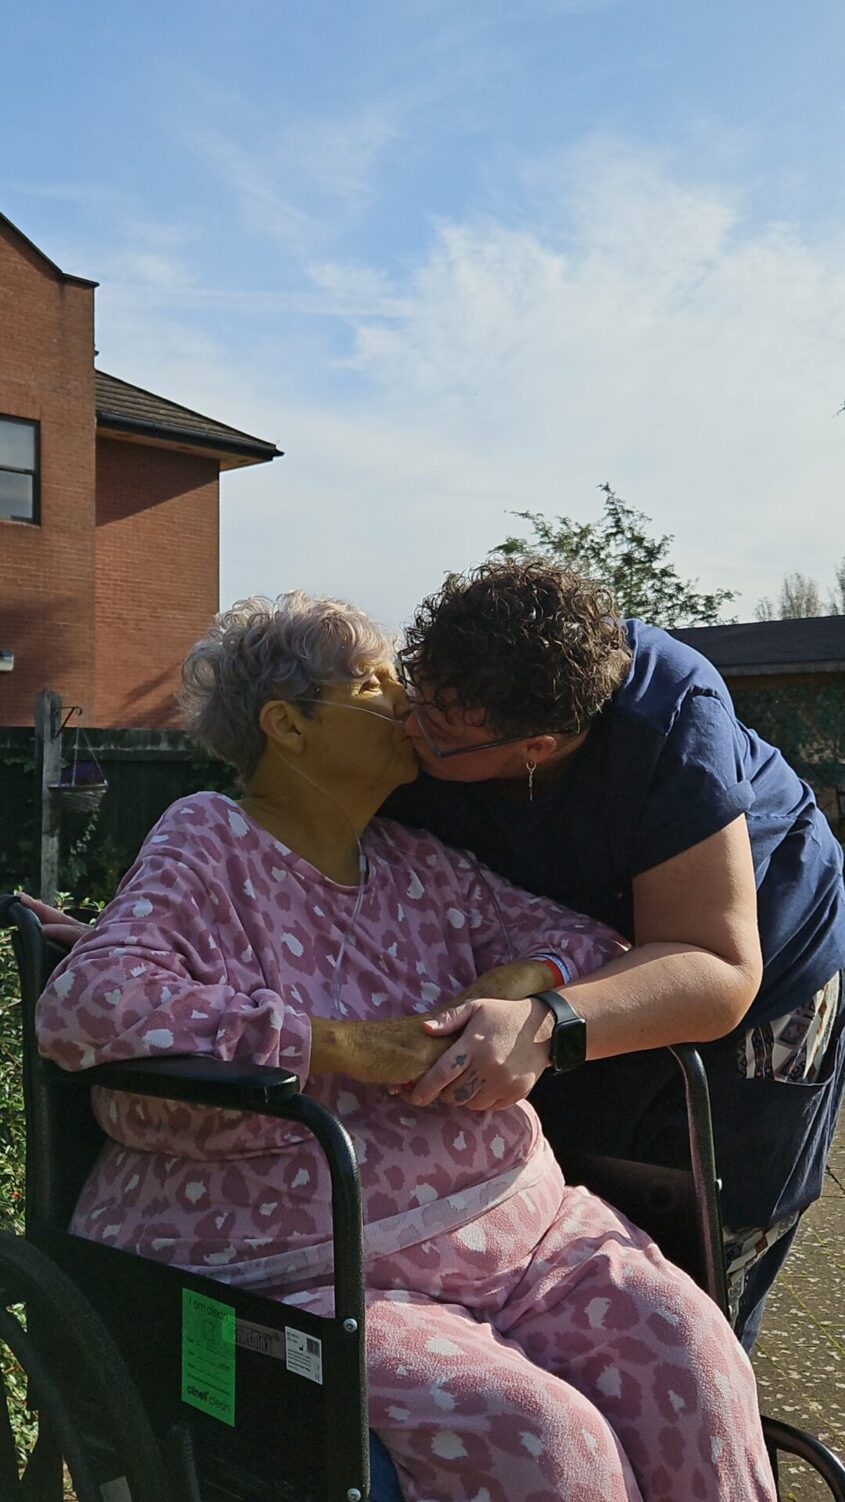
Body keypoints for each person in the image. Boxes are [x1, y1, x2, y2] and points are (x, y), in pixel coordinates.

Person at [35, 592, 775, 1502]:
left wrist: (521, 983)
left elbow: (597, 950)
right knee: (544, 1443)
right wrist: (339, 1046)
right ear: (288, 726)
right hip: (310, 1264)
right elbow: (89, 1004)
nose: (406, 701)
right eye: (374, 681)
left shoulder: (424, 863)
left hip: (530, 1233)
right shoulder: (210, 840)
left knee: (694, 1363)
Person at [383, 559, 845, 1349]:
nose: (406, 729)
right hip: (586, 957)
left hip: (762, 969)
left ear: (536, 745)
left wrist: (545, 1024)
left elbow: (714, 969)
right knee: (567, 1224)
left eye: (439, 733)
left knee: (699, 1254)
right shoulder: (443, 707)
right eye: (411, 694)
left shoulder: (668, 717)